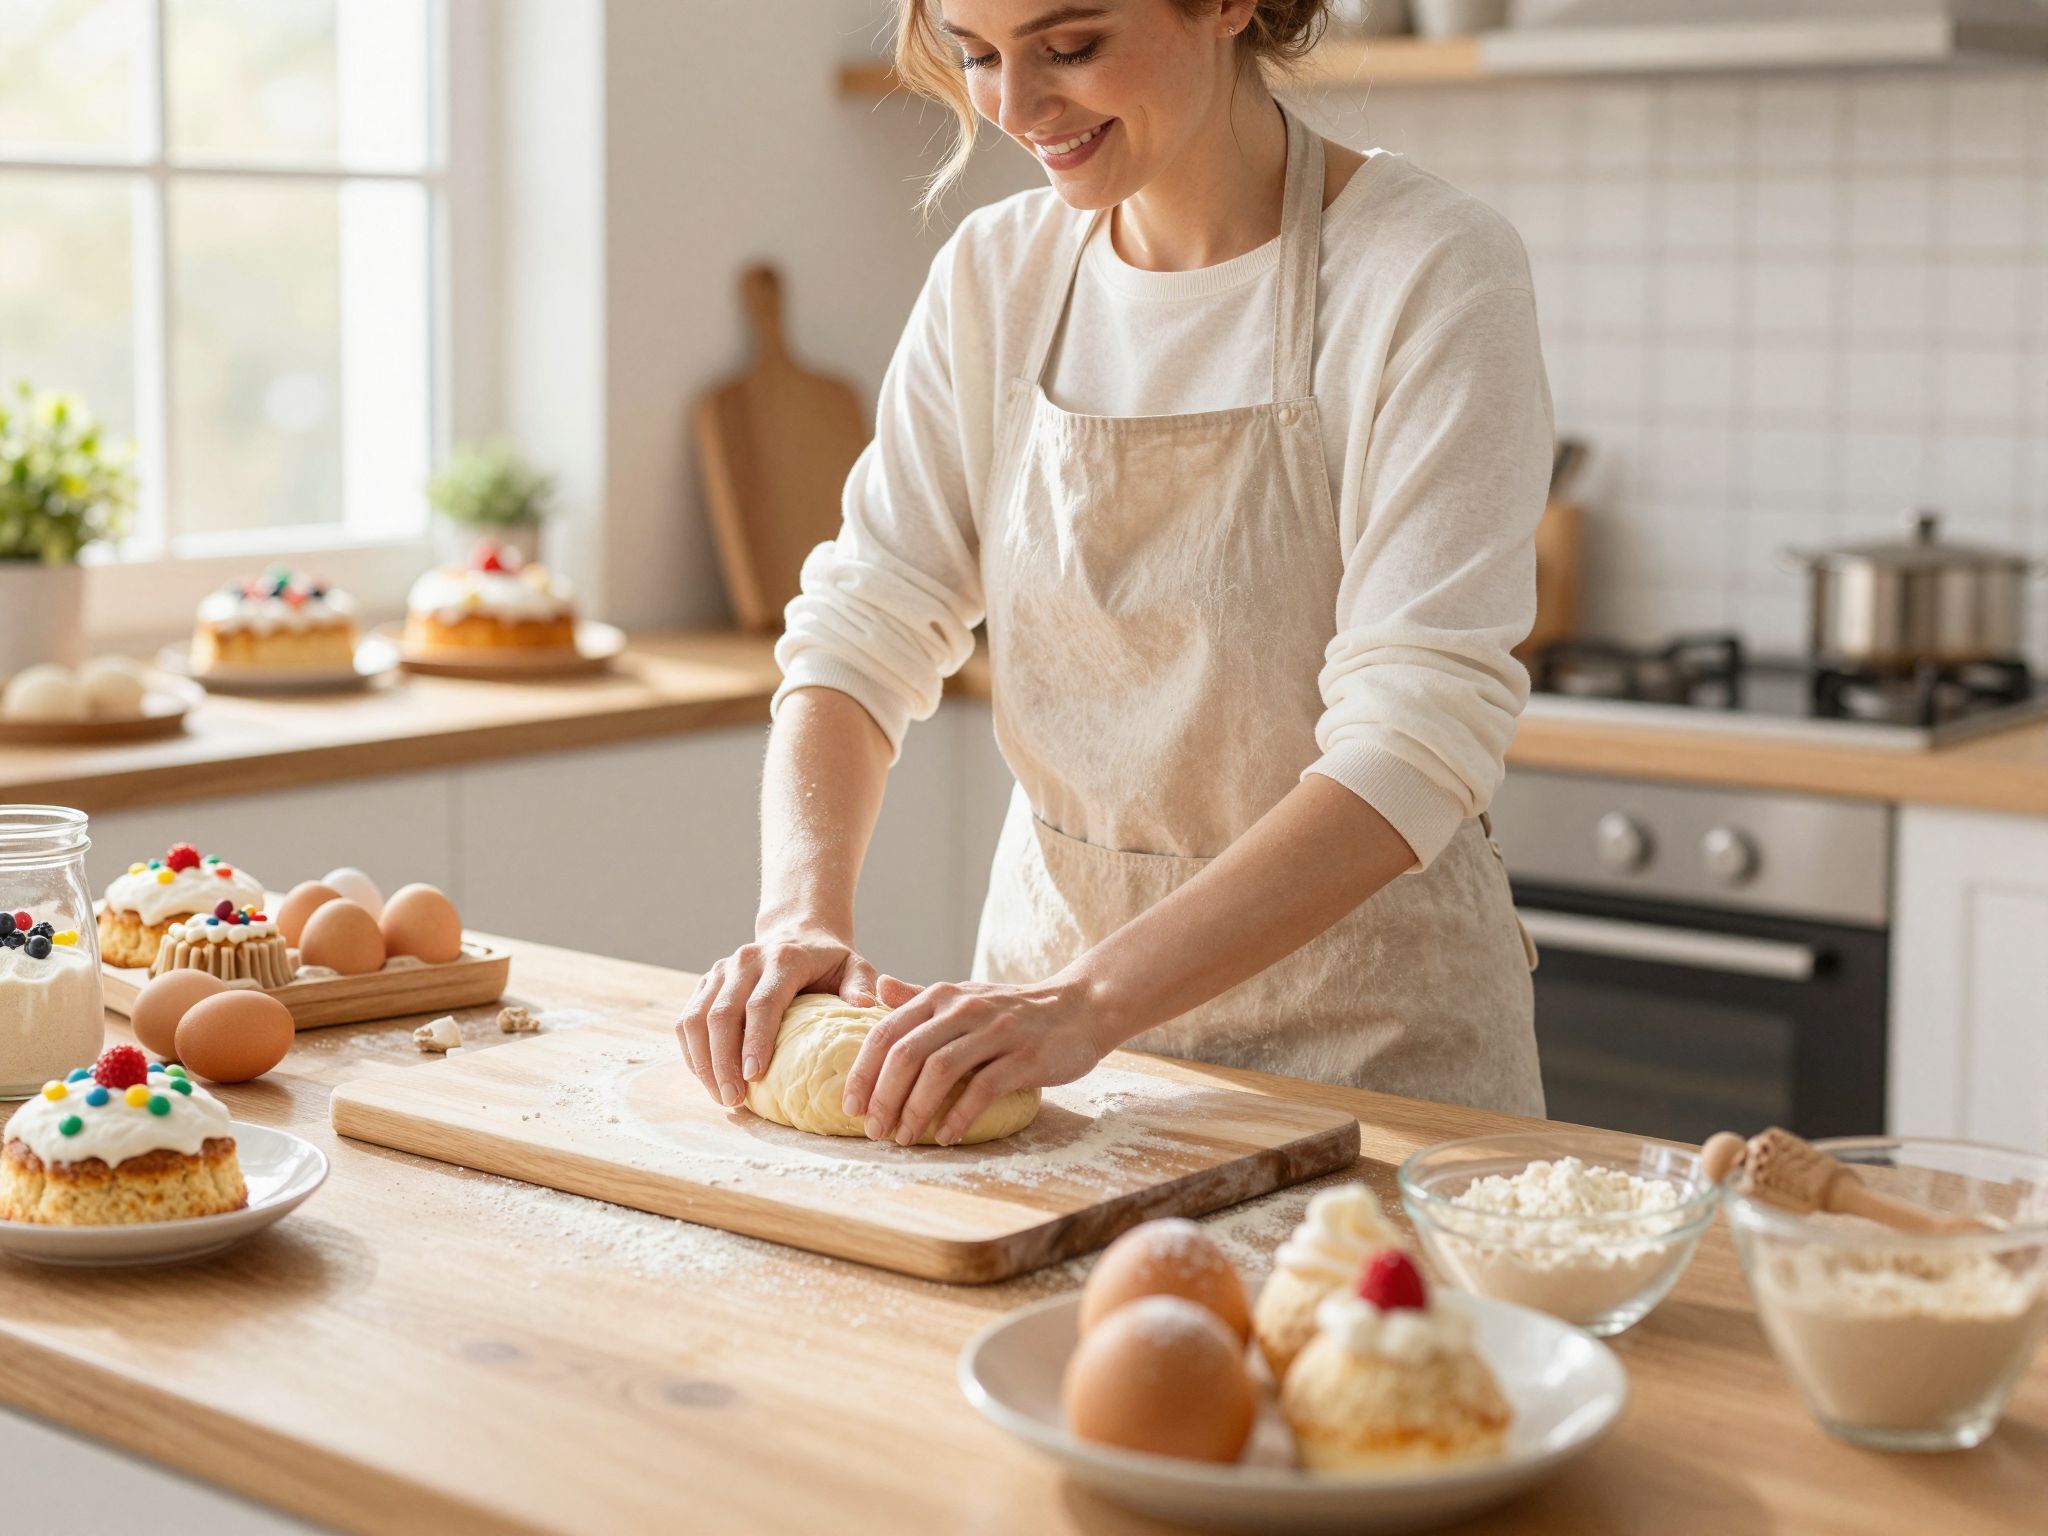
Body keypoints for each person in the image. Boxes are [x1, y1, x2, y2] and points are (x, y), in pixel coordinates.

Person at [676, 0, 1551, 1144]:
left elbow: (1413, 741)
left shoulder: (1426, 270)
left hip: (1372, 1069)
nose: (1013, 107)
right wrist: (800, 917)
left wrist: (1086, 1002)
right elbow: (865, 619)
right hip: (1048, 1074)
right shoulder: (996, 275)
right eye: (977, 55)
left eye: (1070, 48)